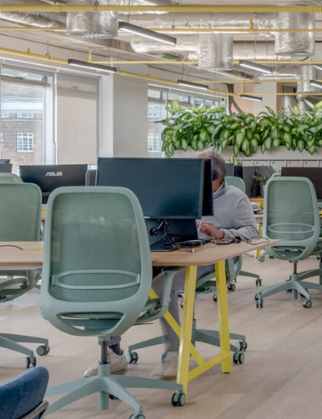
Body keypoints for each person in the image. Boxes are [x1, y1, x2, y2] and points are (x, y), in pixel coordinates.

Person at [102, 151, 260, 375]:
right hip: (171, 250)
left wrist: (220, 233)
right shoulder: (180, 192)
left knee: (160, 286)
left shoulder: (235, 198)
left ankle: (176, 352)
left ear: (213, 175)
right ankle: (113, 352)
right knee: (121, 276)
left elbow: (252, 231)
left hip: (207, 259)